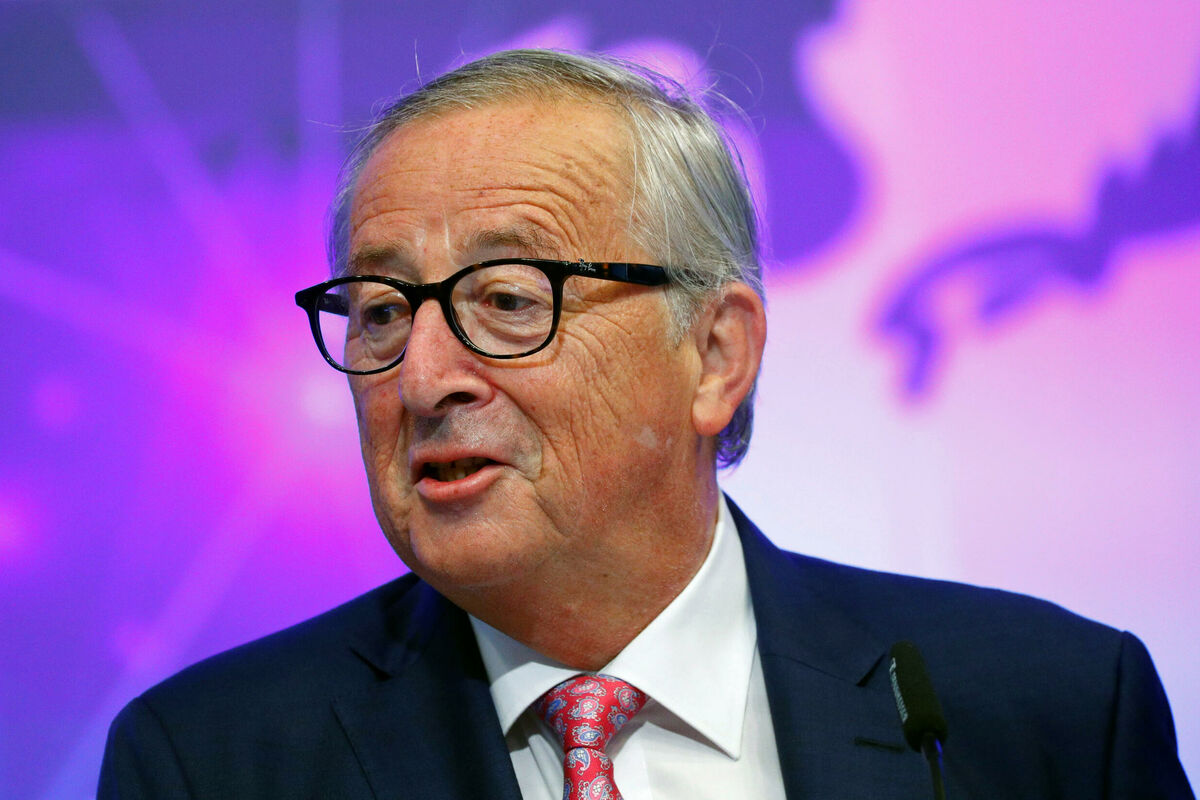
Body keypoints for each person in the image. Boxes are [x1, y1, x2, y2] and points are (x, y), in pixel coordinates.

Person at [98, 49, 1193, 799]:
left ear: (715, 354)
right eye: (381, 310)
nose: (422, 376)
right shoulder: (213, 761)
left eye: (507, 298)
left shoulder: (1042, 713)